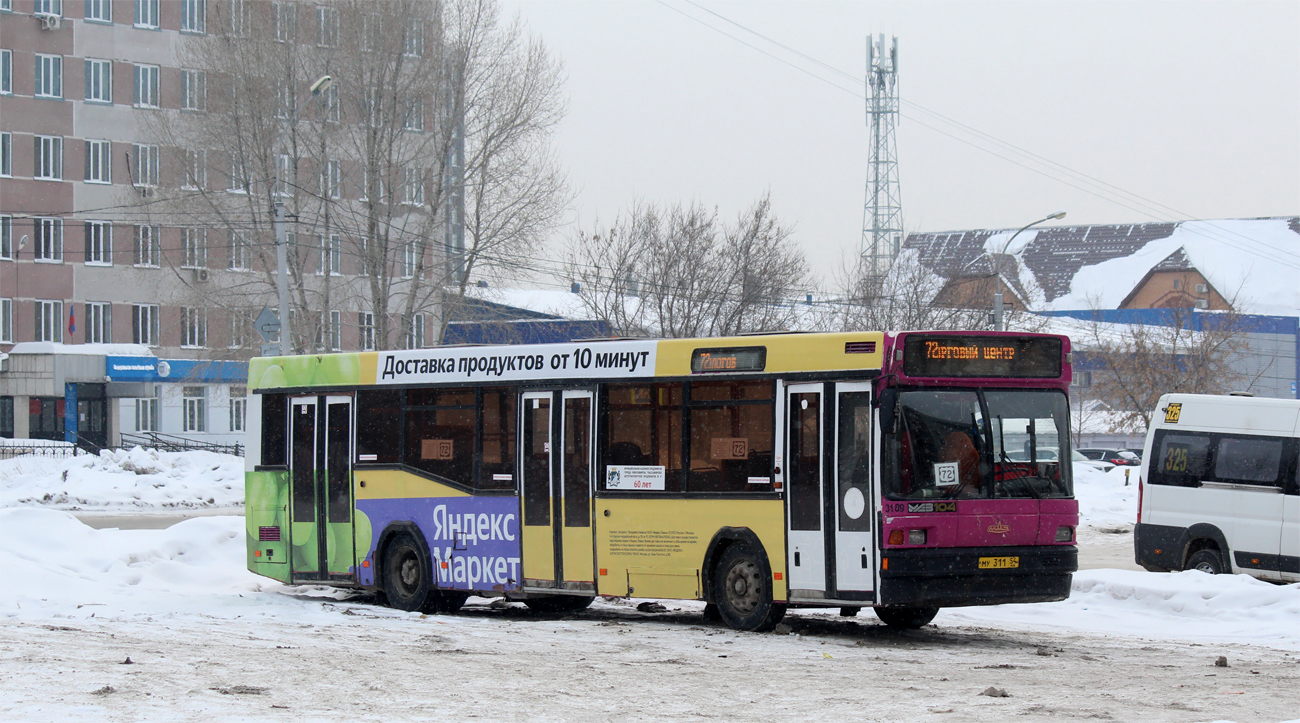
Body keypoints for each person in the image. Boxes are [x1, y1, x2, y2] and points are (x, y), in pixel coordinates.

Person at [938, 430, 981, 495]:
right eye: (944, 446)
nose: (943, 449)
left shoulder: (972, 466)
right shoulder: (944, 466)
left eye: (949, 446)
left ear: (961, 449)